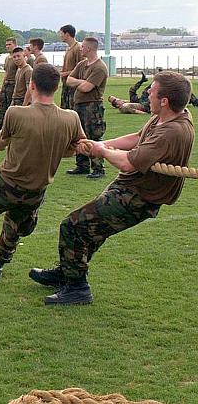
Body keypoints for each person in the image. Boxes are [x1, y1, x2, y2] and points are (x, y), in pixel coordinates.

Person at [32, 71, 194, 305]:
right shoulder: (165, 117)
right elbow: (137, 137)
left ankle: (77, 288)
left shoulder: (172, 131)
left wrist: (102, 151)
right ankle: (67, 273)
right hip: (129, 187)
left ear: (165, 101)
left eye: (152, 90)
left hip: (139, 197)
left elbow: (128, 163)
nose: (147, 93)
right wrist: (101, 143)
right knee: (91, 229)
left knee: (73, 225)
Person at [0, 64, 85, 288]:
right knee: (15, 227)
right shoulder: (71, 118)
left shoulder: (16, 112)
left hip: (5, 185)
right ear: (57, 87)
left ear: (32, 85)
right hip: (35, 192)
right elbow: (75, 149)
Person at [66, 36, 108, 179]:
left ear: (89, 48)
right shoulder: (82, 64)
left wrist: (79, 83)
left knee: (93, 136)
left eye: (83, 46)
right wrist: (82, 81)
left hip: (92, 107)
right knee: (79, 135)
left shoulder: (100, 67)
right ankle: (82, 165)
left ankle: (98, 168)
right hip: (79, 105)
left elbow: (86, 88)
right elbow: (68, 80)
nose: (80, 49)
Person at [0, 37, 19, 130]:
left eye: (9, 44)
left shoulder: (17, 58)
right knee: (1, 107)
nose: (7, 46)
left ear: (15, 45)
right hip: (6, 84)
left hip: (13, 85)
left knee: (11, 107)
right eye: (6, 45)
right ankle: (1, 128)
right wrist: (2, 86)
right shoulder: (7, 58)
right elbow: (6, 73)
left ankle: (11, 128)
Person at [59, 24, 82, 110]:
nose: (60, 36)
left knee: (73, 111)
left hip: (73, 86)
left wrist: (65, 74)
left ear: (67, 34)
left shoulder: (78, 48)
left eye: (61, 33)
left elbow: (81, 68)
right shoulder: (68, 49)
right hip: (66, 85)